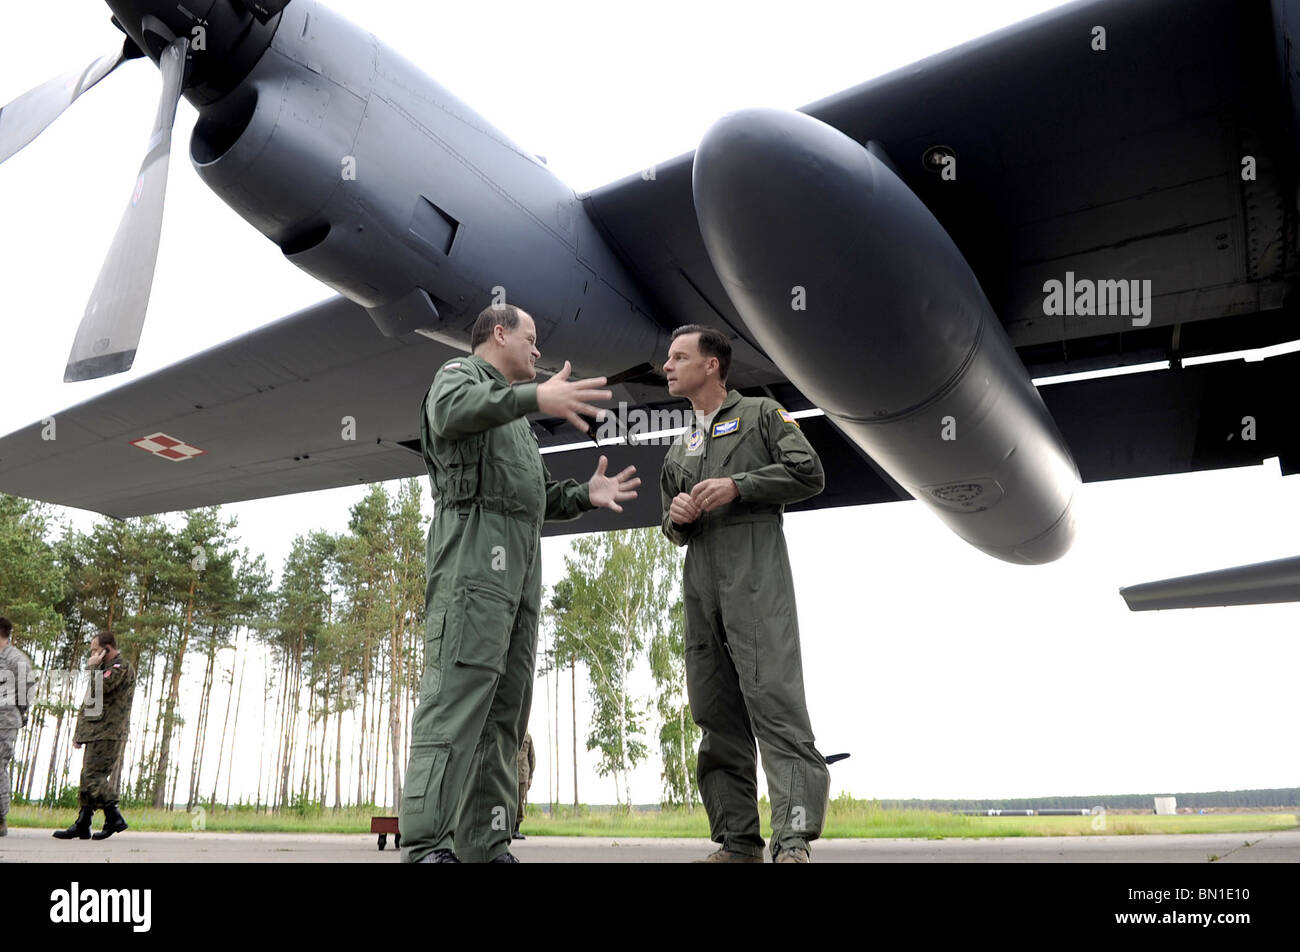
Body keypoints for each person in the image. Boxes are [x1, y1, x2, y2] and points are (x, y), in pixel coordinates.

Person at [401, 304, 639, 864]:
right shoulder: (457, 379)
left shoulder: (515, 424)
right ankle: (428, 846)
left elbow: (536, 498)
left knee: (506, 711)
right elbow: (452, 414)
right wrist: (537, 397)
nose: (537, 352)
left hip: (521, 568)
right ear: (499, 333)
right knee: (456, 698)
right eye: (531, 340)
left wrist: (584, 494)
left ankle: (486, 844)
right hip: (473, 561)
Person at [659, 325, 830, 863]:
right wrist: (678, 518)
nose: (667, 364)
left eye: (679, 356)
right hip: (700, 582)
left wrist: (740, 485)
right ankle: (737, 842)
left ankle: (793, 839)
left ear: (712, 365)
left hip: (755, 574)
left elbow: (810, 473)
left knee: (774, 703)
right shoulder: (679, 447)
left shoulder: (761, 414)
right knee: (715, 712)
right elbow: (668, 524)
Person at [53, 631, 135, 841]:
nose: (93, 654)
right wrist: (79, 734)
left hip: (109, 732)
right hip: (95, 732)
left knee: (94, 777)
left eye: (95, 650)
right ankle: (83, 822)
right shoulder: (102, 670)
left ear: (107, 648)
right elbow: (90, 702)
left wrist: (92, 667)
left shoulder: (120, 667)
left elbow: (102, 688)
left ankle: (114, 816)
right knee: (86, 777)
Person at [0, 616, 35, 837]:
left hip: (5, 721)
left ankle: (0, 817)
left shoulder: (16, 659)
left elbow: (26, 693)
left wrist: (18, 714)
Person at [514, 731, 535, 839]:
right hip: (510, 772)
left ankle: (516, 830)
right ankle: (506, 831)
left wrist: (531, 776)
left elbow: (532, 757)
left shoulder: (528, 737)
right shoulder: (512, 731)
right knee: (509, 803)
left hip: (522, 774)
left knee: (519, 803)